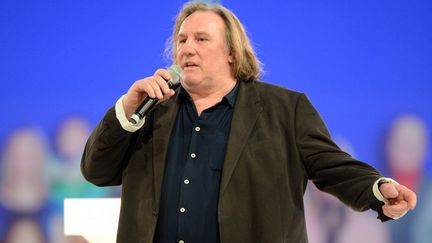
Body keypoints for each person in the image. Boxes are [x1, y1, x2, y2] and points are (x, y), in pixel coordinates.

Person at [81, 2, 417, 243]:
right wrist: (128, 108)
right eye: (182, 40)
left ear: (231, 51)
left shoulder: (285, 109)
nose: (187, 49)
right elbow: (96, 171)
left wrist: (377, 189)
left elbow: (333, 167)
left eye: (201, 39)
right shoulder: (151, 111)